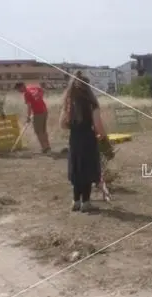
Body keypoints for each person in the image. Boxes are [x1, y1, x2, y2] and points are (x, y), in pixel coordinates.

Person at [59, 71, 107, 212]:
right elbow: (98, 125)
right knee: (87, 170)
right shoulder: (91, 103)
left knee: (77, 169)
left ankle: (76, 201)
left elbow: (62, 124)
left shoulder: (69, 102)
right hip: (88, 138)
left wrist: (74, 126)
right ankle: (86, 202)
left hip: (75, 139)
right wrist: (103, 136)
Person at [15, 82, 51, 153]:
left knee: (38, 131)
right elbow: (42, 90)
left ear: (21, 87)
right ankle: (47, 146)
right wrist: (38, 99)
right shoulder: (32, 87)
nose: (19, 92)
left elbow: (29, 106)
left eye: (18, 90)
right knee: (43, 130)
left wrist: (28, 117)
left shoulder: (26, 94)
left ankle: (45, 148)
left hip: (38, 113)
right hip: (44, 111)